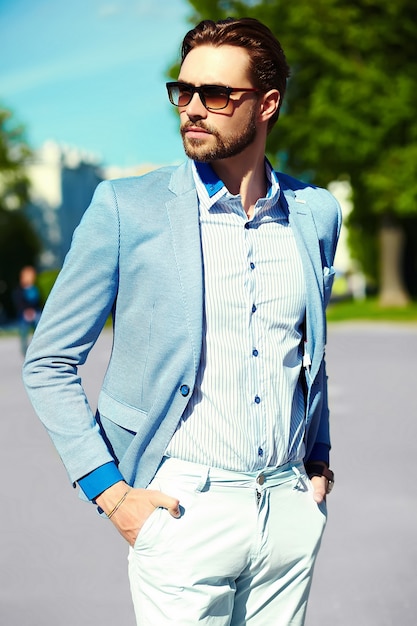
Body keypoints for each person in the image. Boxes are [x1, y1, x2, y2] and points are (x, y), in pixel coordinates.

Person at [23, 17, 341, 626]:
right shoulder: (126, 209)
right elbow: (49, 362)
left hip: (287, 509)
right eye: (184, 91)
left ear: (268, 104)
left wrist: (317, 463)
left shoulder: (314, 212)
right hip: (180, 511)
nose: (193, 108)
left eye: (216, 94)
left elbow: (308, 350)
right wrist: (112, 496)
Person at [13, 265, 41, 355]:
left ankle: (38, 349)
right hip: (24, 314)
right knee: (24, 333)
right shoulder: (19, 290)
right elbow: (19, 302)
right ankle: (25, 352)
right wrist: (27, 311)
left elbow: (39, 302)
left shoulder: (35, 288)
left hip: (35, 312)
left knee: (39, 330)